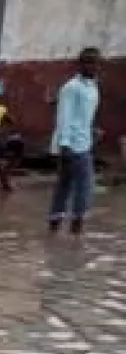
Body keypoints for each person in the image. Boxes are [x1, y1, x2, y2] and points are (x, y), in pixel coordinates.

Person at [49, 47, 102, 234]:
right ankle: (76, 226)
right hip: (73, 145)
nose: (92, 66)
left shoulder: (93, 86)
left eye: (95, 62)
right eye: (88, 62)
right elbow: (64, 117)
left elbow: (83, 116)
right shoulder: (71, 87)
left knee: (64, 184)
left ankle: (55, 226)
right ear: (80, 64)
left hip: (84, 141)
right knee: (85, 185)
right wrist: (64, 145)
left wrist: (92, 130)